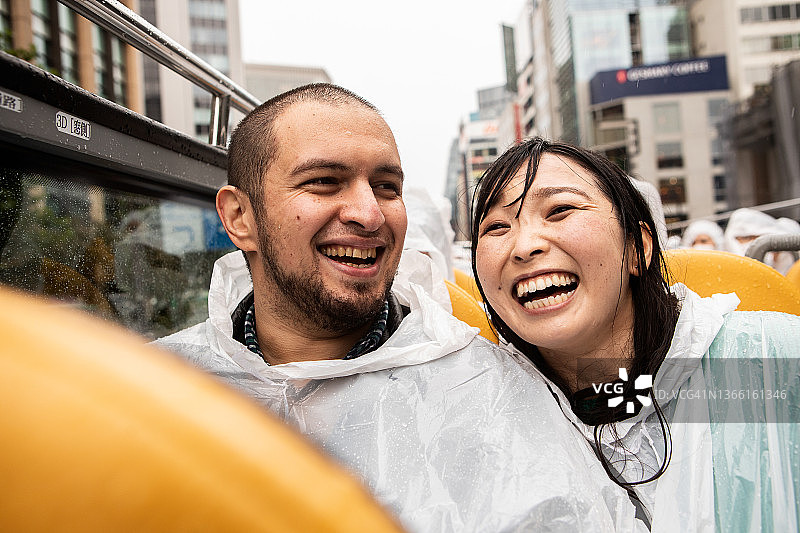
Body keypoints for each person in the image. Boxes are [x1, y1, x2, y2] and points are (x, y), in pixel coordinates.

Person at [153, 85, 642, 532]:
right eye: (325, 181)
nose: (368, 214)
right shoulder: (152, 385)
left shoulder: (489, 393)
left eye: (387, 187)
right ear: (240, 217)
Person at [470, 137, 800, 532]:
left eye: (559, 210)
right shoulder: (476, 415)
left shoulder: (773, 362)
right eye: (496, 227)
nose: (524, 246)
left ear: (638, 247)